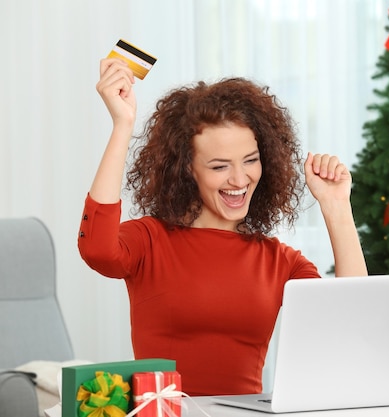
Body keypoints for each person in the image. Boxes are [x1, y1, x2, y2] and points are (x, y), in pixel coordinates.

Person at [77, 58, 368, 396]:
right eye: (219, 166)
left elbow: (350, 320)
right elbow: (96, 248)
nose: (239, 179)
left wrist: (336, 206)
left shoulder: (278, 260)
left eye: (250, 160)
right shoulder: (150, 240)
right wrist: (122, 124)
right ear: (188, 170)